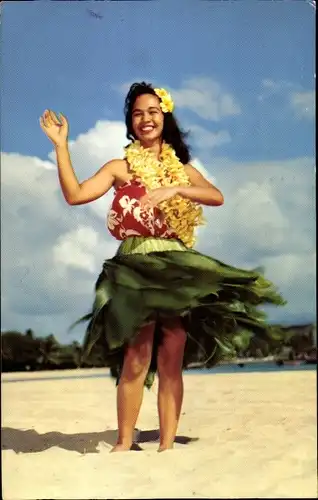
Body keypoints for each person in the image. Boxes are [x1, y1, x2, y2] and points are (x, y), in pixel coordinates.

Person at [40, 82, 286, 453]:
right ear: (130, 122)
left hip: (175, 266)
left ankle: (166, 446)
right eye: (138, 113)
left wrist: (175, 190)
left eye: (153, 111)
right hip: (135, 265)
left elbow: (215, 196)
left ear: (164, 116)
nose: (145, 119)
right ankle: (124, 442)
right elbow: (75, 195)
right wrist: (61, 147)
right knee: (136, 354)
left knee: (172, 355)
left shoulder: (181, 170)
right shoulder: (119, 168)